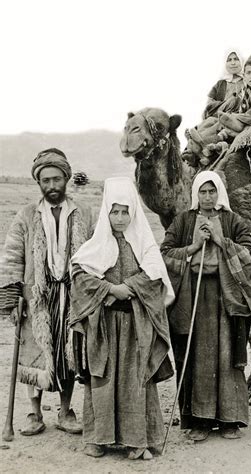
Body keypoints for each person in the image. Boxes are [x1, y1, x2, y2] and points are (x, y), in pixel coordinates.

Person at [70, 177, 175, 459]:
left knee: (134, 381)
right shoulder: (95, 246)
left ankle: (137, 441)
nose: (119, 218)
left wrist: (129, 287)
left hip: (134, 327)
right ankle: (97, 438)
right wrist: (109, 289)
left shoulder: (144, 245)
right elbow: (80, 278)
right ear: (106, 213)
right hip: (103, 325)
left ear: (133, 213)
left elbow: (155, 278)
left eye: (125, 211)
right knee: (101, 378)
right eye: (114, 212)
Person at [0, 148, 94, 436]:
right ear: (38, 183)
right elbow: (13, 256)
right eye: (45, 181)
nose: (52, 186)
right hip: (36, 295)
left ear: (66, 178)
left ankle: (66, 412)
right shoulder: (26, 215)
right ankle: (34, 412)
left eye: (56, 179)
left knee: (69, 354)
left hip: (72, 294)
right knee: (35, 352)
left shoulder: (85, 214)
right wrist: (12, 296)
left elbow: (95, 253)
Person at [161, 171, 251, 441]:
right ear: (195, 194)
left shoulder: (232, 220)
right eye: (202, 192)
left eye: (212, 191)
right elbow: (164, 253)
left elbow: (248, 255)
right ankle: (199, 421)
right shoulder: (184, 220)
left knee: (226, 358)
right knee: (197, 358)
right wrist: (192, 247)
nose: (207, 197)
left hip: (225, 296)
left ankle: (229, 420)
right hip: (194, 295)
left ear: (220, 193)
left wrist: (219, 241)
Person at [218, 52, 251, 133]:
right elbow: (242, 109)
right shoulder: (245, 90)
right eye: (248, 73)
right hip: (246, 118)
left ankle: (237, 120)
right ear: (244, 75)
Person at [203, 50, 244, 119]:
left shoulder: (246, 81)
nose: (233, 63)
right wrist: (226, 104)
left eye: (236, 59)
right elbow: (209, 104)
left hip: (239, 117)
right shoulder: (221, 83)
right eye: (229, 60)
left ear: (241, 61)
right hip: (220, 116)